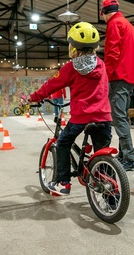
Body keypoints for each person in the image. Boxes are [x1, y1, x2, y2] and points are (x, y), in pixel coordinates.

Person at [29, 22, 112, 196]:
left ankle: (63, 183)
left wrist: (33, 98)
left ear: (73, 47)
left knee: (63, 143)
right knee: (102, 154)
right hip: (104, 117)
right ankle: (112, 197)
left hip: (81, 117)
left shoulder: (70, 68)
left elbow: (51, 85)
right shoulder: (101, 64)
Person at [101, 0, 134, 172]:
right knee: (122, 117)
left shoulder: (114, 24)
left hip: (119, 76)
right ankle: (124, 155)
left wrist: (105, 76)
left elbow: (112, 52)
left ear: (103, 13)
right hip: (130, 77)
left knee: (118, 118)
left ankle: (130, 158)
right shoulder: (128, 24)